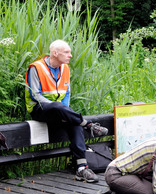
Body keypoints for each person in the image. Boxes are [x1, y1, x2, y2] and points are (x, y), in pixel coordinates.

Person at [25, 39, 109, 183]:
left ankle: (82, 168)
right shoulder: (36, 68)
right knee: (58, 107)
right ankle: (87, 124)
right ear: (55, 53)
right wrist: (59, 108)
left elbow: (67, 93)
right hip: (39, 109)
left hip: (59, 110)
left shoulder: (65, 68)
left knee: (74, 124)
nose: (70, 55)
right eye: (66, 52)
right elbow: (35, 95)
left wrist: (65, 110)